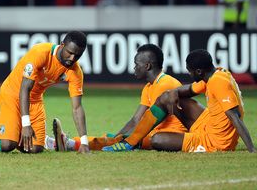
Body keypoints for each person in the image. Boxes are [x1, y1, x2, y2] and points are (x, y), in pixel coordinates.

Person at [0, 31, 90, 154]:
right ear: (62, 45)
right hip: (13, 94)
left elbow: (77, 107)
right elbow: (25, 89)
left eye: (78, 55)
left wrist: (84, 142)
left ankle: (45, 141)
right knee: (7, 145)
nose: (72, 58)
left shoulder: (75, 71)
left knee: (34, 149)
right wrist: (26, 124)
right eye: (70, 53)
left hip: (35, 100)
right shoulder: (40, 53)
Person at [104, 49, 255, 153]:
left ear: (199, 71)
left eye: (189, 71)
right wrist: (173, 92)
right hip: (209, 125)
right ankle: (130, 141)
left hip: (215, 141)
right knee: (167, 96)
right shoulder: (216, 74)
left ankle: (131, 141)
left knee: (157, 140)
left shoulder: (217, 82)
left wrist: (251, 149)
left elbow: (234, 116)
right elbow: (189, 89)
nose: (189, 74)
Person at [54, 44, 186, 151]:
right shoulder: (148, 87)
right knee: (113, 137)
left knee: (119, 139)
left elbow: (150, 121)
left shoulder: (166, 84)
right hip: (155, 133)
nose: (134, 68)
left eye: (136, 64)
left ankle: (69, 144)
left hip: (170, 135)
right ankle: (69, 143)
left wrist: (124, 139)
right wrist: (116, 138)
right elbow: (135, 120)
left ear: (147, 66)